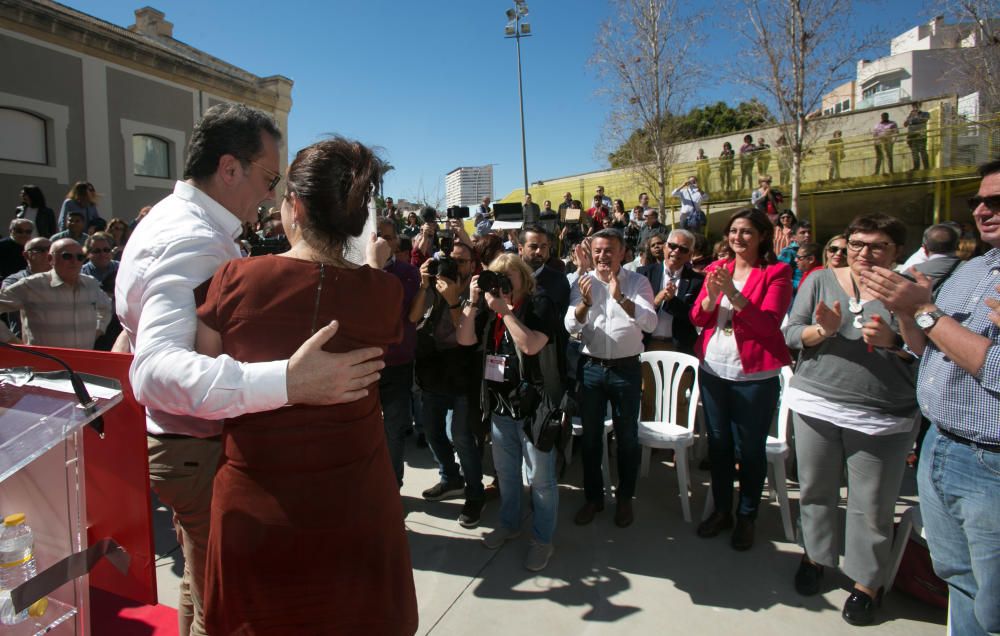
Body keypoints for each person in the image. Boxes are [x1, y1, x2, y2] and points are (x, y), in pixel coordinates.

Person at [115, 104, 385, 636]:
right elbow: (155, 371)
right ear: (230, 169)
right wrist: (289, 380)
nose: (270, 194)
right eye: (267, 177)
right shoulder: (192, 237)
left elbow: (140, 332)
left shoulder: (183, 224)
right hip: (194, 445)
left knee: (199, 581)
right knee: (227, 610)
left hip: (182, 442)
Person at [194, 137, 417, 635]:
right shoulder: (382, 292)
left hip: (257, 507)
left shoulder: (235, 278)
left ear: (293, 206)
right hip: (356, 507)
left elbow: (203, 374)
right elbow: (360, 294)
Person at [860, 160, 1000, 636]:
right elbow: (926, 346)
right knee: (959, 582)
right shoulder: (969, 270)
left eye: (995, 201)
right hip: (941, 444)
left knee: (994, 602)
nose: (982, 209)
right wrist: (906, 314)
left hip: (990, 463)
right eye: (976, 201)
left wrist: (921, 308)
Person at [782, 213, 919, 626]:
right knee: (815, 489)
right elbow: (792, 335)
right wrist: (822, 332)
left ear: (895, 251)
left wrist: (893, 341)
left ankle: (866, 582)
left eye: (876, 246)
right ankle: (815, 556)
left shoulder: (911, 291)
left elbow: (927, 353)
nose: (863, 253)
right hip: (818, 404)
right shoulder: (819, 280)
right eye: (856, 244)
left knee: (872, 506)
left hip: (882, 414)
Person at [691, 208, 792, 551]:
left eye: (746, 231)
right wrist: (711, 296)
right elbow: (698, 315)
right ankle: (722, 510)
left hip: (755, 376)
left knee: (749, 450)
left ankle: (747, 514)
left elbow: (767, 324)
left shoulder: (777, 272)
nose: (738, 237)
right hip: (713, 370)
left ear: (762, 235)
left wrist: (732, 294)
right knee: (719, 446)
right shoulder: (718, 269)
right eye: (733, 231)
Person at [458, 253, 562, 571]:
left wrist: (507, 312)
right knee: (506, 474)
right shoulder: (489, 311)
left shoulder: (539, 305)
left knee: (541, 481)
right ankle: (509, 523)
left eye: (508, 276)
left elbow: (531, 345)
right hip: (501, 406)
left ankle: (543, 540)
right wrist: (475, 303)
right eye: (496, 277)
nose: (501, 283)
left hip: (535, 408)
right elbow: (464, 340)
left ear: (524, 278)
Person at [566, 229, 657, 528]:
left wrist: (620, 297)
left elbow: (650, 322)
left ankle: (625, 500)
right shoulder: (582, 281)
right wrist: (586, 303)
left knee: (627, 439)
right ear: (591, 253)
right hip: (591, 369)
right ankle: (593, 499)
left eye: (609, 251)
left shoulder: (638, 282)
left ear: (622, 254)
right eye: (598, 251)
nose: (603, 256)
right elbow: (570, 325)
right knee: (591, 439)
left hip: (626, 370)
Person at [411, 240, 487, 528]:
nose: (455, 266)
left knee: (462, 437)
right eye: (451, 260)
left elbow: (466, 337)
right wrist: (423, 285)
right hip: (433, 371)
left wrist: (455, 300)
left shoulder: (477, 290)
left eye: (462, 262)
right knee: (431, 431)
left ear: (472, 264)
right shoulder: (434, 285)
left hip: (463, 372)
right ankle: (450, 478)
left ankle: (475, 494)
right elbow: (413, 317)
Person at [371, 218, 422, 488]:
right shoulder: (354, 271)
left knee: (394, 429)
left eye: (388, 237)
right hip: (365, 364)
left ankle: (393, 487)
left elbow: (394, 310)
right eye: (377, 235)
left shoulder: (408, 273)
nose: (382, 241)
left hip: (398, 363)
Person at [638, 230, 703, 422]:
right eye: (672, 246)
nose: (676, 252)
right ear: (665, 247)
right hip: (649, 344)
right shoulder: (644, 274)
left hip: (679, 346)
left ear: (690, 255)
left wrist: (673, 301)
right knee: (648, 397)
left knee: (678, 398)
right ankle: (649, 447)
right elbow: (634, 312)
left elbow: (694, 317)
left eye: (683, 249)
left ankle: (676, 448)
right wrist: (656, 301)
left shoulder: (698, 281)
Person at [0, 237, 111, 348]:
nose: (74, 261)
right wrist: (13, 342)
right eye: (67, 256)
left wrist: (97, 330)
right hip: (42, 363)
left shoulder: (90, 284)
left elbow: (106, 307)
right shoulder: (32, 285)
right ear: (50, 258)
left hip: (82, 362)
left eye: (80, 257)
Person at [1, 236, 50, 340]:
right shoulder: (14, 281)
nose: (48, 253)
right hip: (26, 348)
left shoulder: (63, 279)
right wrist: (10, 340)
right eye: (41, 250)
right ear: (26, 255)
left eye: (51, 249)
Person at [904, 103, 931, 171]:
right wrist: (911, 117)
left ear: (919, 106)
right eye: (913, 106)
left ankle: (926, 167)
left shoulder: (925, 113)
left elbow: (924, 120)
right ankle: (916, 167)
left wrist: (915, 117)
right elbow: (905, 124)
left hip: (920, 135)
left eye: (916, 106)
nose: (914, 107)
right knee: (914, 153)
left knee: (923, 151)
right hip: (912, 137)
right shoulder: (910, 115)